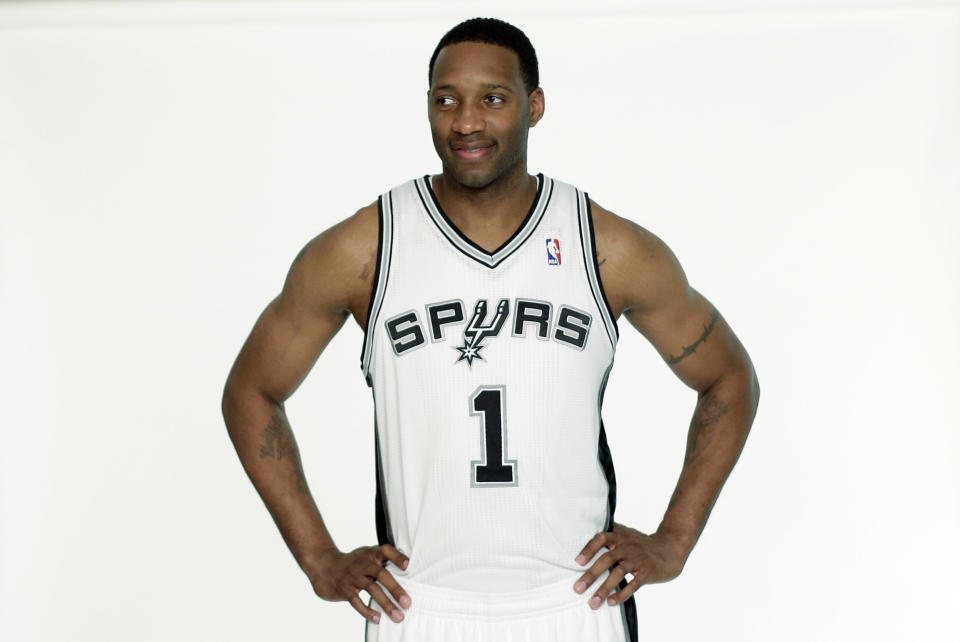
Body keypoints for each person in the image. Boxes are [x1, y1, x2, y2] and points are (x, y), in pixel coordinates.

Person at [221, 16, 759, 642]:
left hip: (576, 603)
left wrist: (674, 541)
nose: (466, 121)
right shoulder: (366, 249)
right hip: (416, 607)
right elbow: (251, 392)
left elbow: (727, 376)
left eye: (492, 99)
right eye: (446, 100)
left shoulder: (604, 246)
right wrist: (319, 559)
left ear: (533, 107)